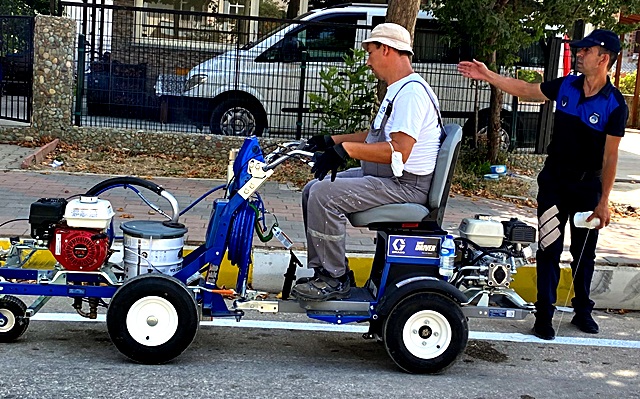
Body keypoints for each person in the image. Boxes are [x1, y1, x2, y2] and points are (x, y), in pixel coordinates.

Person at [457, 29, 628, 340]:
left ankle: (583, 311)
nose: (578, 53)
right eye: (578, 49)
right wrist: (489, 76)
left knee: (583, 253)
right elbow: (524, 89)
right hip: (554, 184)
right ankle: (544, 316)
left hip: (588, 188)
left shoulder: (615, 105)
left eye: (585, 50)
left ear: (603, 58)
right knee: (548, 248)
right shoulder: (566, 85)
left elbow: (611, 157)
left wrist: (604, 201)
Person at [290, 23, 443, 301]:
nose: (368, 61)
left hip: (404, 185)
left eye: (370, 52)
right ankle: (333, 270)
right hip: (390, 179)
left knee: (324, 195)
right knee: (313, 188)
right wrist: (332, 140)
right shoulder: (400, 89)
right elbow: (376, 135)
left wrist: (346, 150)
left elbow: (399, 150)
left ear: (386, 49)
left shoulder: (411, 95)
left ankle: (333, 278)